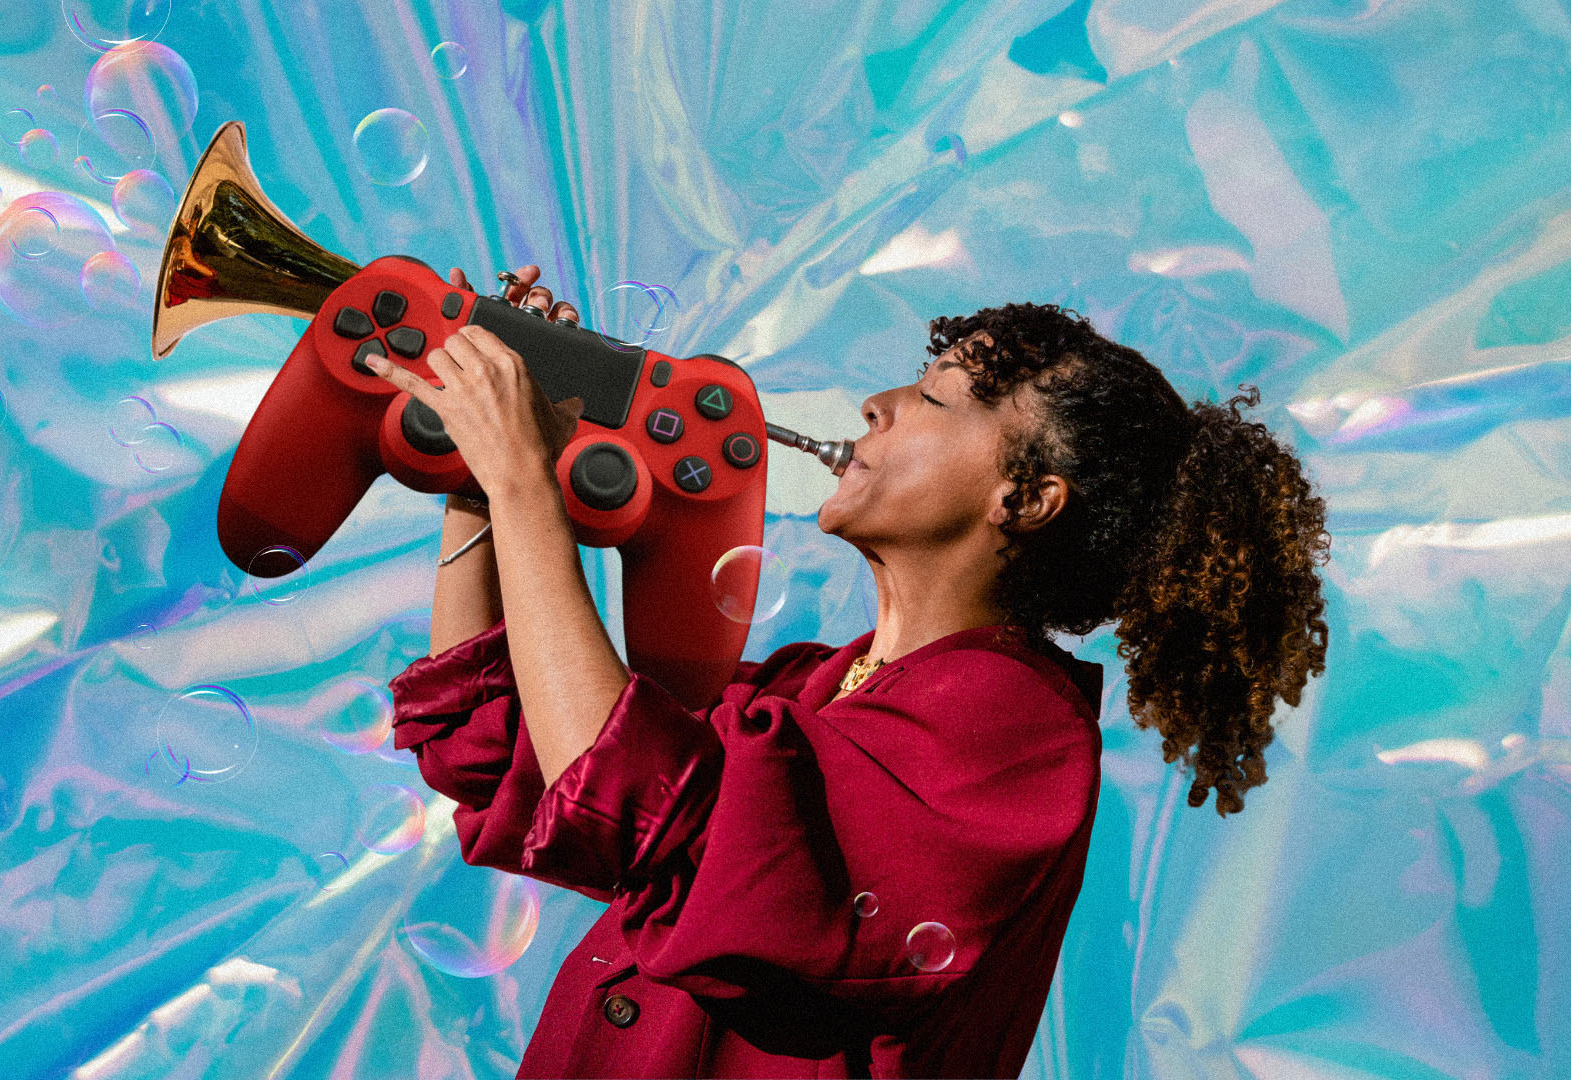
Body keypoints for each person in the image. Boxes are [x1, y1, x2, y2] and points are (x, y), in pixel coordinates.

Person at [363, 265, 1330, 1079]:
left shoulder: (1017, 731)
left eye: (936, 398)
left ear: (1026, 497)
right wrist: (477, 481)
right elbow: (504, 757)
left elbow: (637, 807)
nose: (879, 403)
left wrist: (528, 479)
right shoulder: (804, 687)